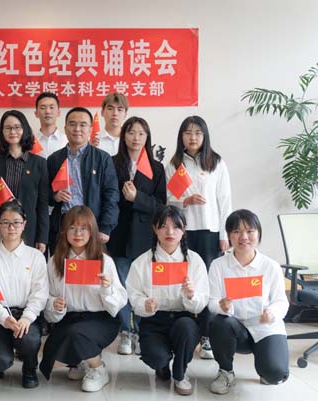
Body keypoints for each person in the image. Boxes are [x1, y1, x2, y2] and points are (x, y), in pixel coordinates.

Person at [165, 115, 232, 359]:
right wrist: (186, 201)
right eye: (188, 133)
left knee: (208, 285)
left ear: (205, 136)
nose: (192, 137)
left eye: (197, 133)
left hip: (210, 233)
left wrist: (224, 234)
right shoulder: (174, 164)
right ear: (181, 136)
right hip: (183, 232)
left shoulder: (215, 162)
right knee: (183, 281)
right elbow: (167, 199)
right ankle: (183, 335)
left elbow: (225, 201)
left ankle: (206, 336)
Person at [40, 206, 127, 392]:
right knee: (52, 356)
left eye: (83, 228)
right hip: (69, 318)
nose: (78, 234)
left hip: (100, 319)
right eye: (72, 228)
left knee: (76, 333)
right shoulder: (55, 261)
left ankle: (98, 368)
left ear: (92, 231)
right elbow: (47, 295)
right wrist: (55, 304)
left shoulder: (104, 261)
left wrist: (107, 288)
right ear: (65, 231)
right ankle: (81, 360)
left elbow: (120, 300)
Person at [126, 205, 209, 396]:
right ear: (155, 229)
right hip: (154, 321)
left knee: (186, 328)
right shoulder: (142, 262)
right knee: (155, 357)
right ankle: (162, 365)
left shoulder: (195, 261)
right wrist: (145, 304)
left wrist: (191, 295)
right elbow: (134, 295)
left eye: (176, 227)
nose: (170, 232)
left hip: (184, 319)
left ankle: (180, 375)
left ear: (184, 229)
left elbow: (202, 300)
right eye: (163, 226)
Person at [208, 209, 289, 394]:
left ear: (258, 233)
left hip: (265, 328)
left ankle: (266, 365)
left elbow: (281, 301)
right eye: (236, 231)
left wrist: (272, 313)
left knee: (276, 374)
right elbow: (211, 302)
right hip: (235, 330)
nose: (243, 237)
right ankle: (226, 372)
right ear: (229, 235)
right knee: (219, 322)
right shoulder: (218, 266)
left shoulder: (270, 266)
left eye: (250, 231)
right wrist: (221, 306)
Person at [107, 117, 167, 355]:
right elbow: (107, 198)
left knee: (144, 286)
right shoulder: (112, 163)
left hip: (145, 237)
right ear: (124, 136)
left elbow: (161, 206)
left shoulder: (156, 168)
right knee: (122, 285)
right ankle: (126, 331)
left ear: (147, 138)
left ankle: (142, 331)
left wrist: (137, 198)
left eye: (141, 133)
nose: (136, 138)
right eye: (131, 132)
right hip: (119, 235)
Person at [0, 200, 48, 389]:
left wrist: (27, 318)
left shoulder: (36, 256)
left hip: (25, 315)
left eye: (16, 222)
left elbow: (40, 293)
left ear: (24, 224)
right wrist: (4, 318)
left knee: (29, 340)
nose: (11, 228)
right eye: (6, 222)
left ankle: (30, 368)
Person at [47, 107, 120, 254]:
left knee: (91, 267)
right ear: (65, 128)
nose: (77, 129)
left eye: (83, 124)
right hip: (63, 225)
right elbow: (44, 193)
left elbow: (111, 195)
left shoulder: (102, 158)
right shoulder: (54, 159)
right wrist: (55, 196)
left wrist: (105, 227)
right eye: (72, 124)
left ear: (90, 129)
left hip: (92, 225)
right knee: (62, 266)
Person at [0, 109, 49, 252]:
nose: (12, 131)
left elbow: (42, 204)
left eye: (17, 127)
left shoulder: (39, 163)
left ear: (25, 129)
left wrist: (42, 238)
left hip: (28, 230)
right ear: (2, 131)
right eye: (8, 128)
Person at [33, 92, 67, 159]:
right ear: (36, 113)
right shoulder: (30, 142)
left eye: (51, 107)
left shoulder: (67, 141)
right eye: (43, 108)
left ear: (58, 112)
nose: (47, 111)